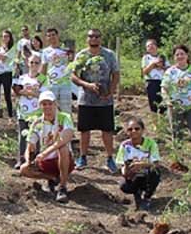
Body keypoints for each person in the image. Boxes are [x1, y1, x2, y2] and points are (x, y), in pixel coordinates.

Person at [71, 29, 120, 173]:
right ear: (87, 39)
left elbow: (115, 74)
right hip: (86, 99)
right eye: (91, 36)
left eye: (97, 36)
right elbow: (73, 76)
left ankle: (110, 158)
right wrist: (87, 85)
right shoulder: (82, 55)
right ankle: (83, 157)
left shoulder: (109, 55)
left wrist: (110, 91)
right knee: (84, 130)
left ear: (101, 39)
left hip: (105, 100)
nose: (94, 39)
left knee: (107, 130)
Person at [20, 91, 75, 203]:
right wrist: (28, 159)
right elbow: (30, 144)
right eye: (44, 104)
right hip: (45, 162)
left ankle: (62, 187)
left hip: (64, 159)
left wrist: (45, 153)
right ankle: (51, 178)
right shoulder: (37, 122)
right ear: (40, 106)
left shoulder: (64, 118)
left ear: (55, 104)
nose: (47, 107)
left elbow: (66, 137)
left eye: (50, 103)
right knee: (24, 169)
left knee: (63, 148)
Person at [161, 44, 191, 162]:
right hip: (175, 107)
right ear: (174, 57)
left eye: (182, 54)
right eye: (177, 54)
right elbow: (164, 88)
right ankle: (178, 160)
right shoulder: (170, 72)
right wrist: (167, 101)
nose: (180, 56)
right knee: (177, 133)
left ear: (187, 56)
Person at [116, 117, 161, 211]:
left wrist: (142, 164)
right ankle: (137, 192)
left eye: (137, 128)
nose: (133, 131)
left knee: (155, 172)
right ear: (126, 132)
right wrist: (125, 171)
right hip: (133, 176)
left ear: (142, 130)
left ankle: (147, 197)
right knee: (123, 185)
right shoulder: (124, 145)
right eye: (130, 129)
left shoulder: (151, 144)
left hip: (146, 174)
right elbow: (121, 164)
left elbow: (156, 163)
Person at [12, 54, 45, 169]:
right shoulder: (22, 77)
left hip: (37, 113)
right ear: (27, 63)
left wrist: (27, 92)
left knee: (36, 137)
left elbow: (44, 94)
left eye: (36, 63)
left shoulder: (42, 78)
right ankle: (21, 159)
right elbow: (15, 91)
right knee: (22, 136)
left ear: (40, 64)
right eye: (31, 62)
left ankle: (36, 160)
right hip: (23, 112)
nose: (34, 65)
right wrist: (28, 92)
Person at [41, 28, 73, 116]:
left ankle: (68, 127)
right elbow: (43, 67)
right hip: (51, 83)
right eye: (49, 36)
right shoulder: (45, 51)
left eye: (53, 35)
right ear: (47, 38)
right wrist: (39, 82)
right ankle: (54, 127)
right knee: (51, 107)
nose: (51, 37)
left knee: (66, 107)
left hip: (65, 83)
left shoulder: (66, 50)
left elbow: (72, 64)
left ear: (57, 35)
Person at [142, 39, 169, 113]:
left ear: (156, 46)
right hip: (151, 82)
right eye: (148, 46)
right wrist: (153, 64)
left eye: (152, 45)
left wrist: (161, 66)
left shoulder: (163, 57)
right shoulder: (146, 58)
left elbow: (169, 69)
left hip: (163, 81)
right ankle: (155, 122)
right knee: (154, 105)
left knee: (164, 103)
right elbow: (144, 71)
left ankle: (164, 121)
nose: (150, 47)